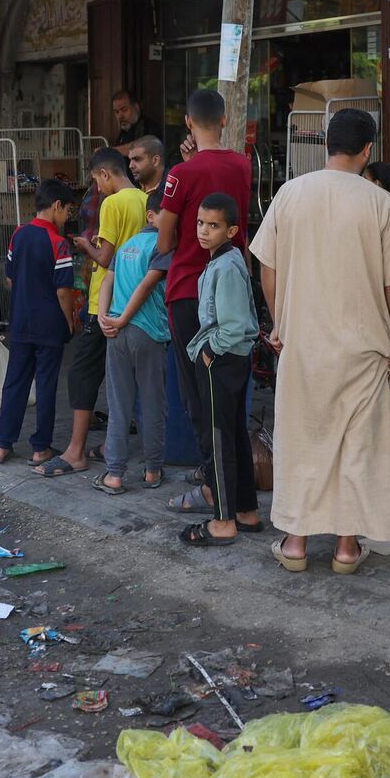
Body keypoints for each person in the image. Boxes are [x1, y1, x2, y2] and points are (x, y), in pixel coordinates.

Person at [251, 108, 390, 572]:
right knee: (356, 445)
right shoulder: (381, 204)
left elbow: (268, 266)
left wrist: (280, 322)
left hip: (303, 343)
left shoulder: (289, 194)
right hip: (363, 347)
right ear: (368, 151)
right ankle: (346, 547)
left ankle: (296, 544)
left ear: (325, 144)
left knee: (303, 439)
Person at [157, 89, 254, 524]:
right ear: (226, 117)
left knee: (199, 396)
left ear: (189, 123)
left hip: (188, 290)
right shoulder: (242, 165)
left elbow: (165, 235)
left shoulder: (181, 172)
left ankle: (215, 491)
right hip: (233, 285)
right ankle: (237, 498)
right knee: (228, 399)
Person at [44, 147, 148, 478]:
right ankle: (111, 448)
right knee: (124, 380)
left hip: (103, 303)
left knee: (82, 374)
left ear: (104, 174)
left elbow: (105, 259)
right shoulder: (146, 200)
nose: (96, 187)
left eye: (95, 180)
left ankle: (75, 451)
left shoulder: (113, 203)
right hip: (136, 300)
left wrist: (85, 245)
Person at [179, 192, 260, 545]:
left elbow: (234, 324)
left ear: (231, 230)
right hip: (232, 360)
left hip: (221, 361)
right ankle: (246, 512)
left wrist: (209, 351)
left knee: (219, 439)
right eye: (200, 223)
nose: (204, 231)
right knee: (234, 435)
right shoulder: (226, 260)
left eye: (213, 225)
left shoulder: (226, 266)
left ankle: (224, 521)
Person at [0, 179, 77, 464]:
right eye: (67, 211)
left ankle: (2, 445)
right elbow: (63, 291)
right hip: (49, 325)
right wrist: (69, 322)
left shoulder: (18, 234)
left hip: (20, 322)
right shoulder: (59, 243)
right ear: (57, 206)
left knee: (14, 382)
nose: (67, 217)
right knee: (45, 385)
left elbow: (10, 278)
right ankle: (41, 447)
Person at [94, 191, 169, 493]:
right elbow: (147, 286)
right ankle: (152, 471)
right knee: (152, 403)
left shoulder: (126, 246)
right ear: (152, 216)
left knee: (119, 404)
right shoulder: (162, 247)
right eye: (169, 213)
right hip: (146, 331)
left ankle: (114, 474)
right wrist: (124, 317)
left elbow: (106, 282)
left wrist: (104, 316)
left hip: (115, 331)